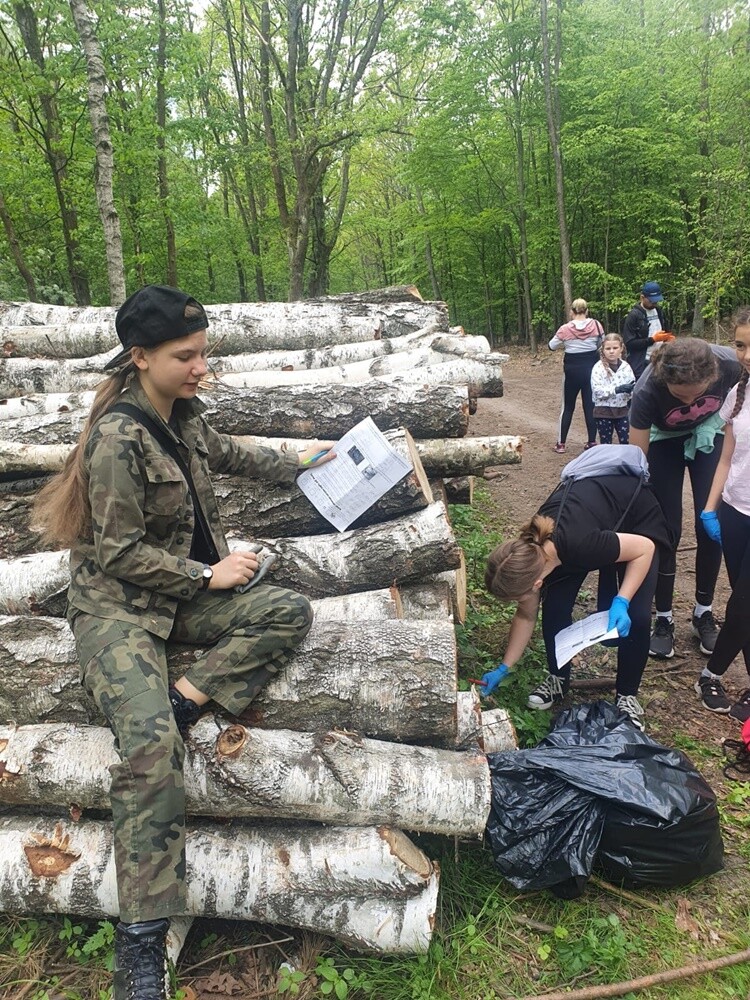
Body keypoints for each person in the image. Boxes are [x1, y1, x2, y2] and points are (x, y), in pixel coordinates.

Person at [32, 285, 334, 1000]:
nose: (202, 367)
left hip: (182, 599)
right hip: (120, 611)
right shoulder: (116, 439)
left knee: (287, 609)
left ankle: (185, 700)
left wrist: (308, 458)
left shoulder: (182, 417)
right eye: (186, 356)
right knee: (150, 757)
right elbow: (116, 553)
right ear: (141, 358)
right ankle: (140, 943)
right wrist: (208, 572)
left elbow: (231, 453)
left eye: (204, 352)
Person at [482, 460, 673, 731]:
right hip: (596, 522)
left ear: (536, 581)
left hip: (637, 519)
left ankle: (626, 696)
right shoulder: (529, 550)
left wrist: (622, 600)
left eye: (518, 596)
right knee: (556, 606)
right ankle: (559, 678)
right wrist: (504, 667)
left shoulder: (580, 543)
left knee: (637, 616)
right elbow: (526, 615)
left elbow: (644, 548)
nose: (520, 601)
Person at [629, 338, 742, 661]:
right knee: (667, 529)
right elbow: (638, 458)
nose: (691, 401)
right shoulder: (647, 390)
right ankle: (663, 617)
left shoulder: (730, 363)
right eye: (681, 397)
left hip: (711, 430)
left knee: (712, 524)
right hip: (664, 440)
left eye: (698, 393)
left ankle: (703, 612)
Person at [696, 309, 750, 723]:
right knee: (742, 602)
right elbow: (726, 458)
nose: (746, 354)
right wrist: (711, 507)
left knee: (744, 604)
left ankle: (710, 673)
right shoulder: (738, 393)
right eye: (741, 344)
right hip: (734, 511)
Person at [548, 298, 603, 454]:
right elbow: (602, 343)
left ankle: (561, 444)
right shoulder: (596, 325)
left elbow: (551, 346)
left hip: (571, 372)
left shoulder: (565, 329)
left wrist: (567, 343)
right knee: (590, 406)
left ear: (571, 312)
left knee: (567, 407)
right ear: (586, 311)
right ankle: (592, 441)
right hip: (591, 371)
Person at [621, 281, 674, 379]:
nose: (654, 303)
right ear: (642, 297)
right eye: (651, 301)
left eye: (656, 301)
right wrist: (652, 340)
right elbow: (629, 343)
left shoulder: (659, 311)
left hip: (660, 358)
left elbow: (665, 330)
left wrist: (668, 338)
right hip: (642, 361)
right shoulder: (634, 315)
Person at [590, 333, 636, 445]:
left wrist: (630, 391)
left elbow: (633, 385)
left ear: (621, 349)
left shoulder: (626, 367)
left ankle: (625, 462)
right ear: (603, 350)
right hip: (603, 411)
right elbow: (598, 391)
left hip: (622, 410)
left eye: (615, 348)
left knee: (627, 441)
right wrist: (617, 389)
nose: (611, 351)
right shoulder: (598, 368)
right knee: (606, 444)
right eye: (608, 348)